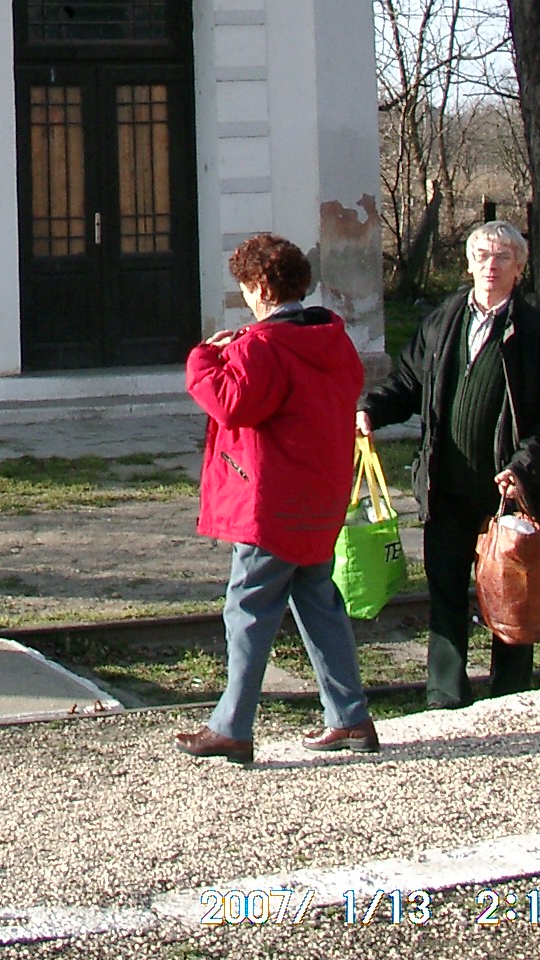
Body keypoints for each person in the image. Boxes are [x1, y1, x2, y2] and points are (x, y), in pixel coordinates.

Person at [359, 218, 540, 709]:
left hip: (508, 494)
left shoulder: (538, 335)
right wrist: (372, 411)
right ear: (468, 264)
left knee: (509, 592)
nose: (491, 266)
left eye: (503, 258)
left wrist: (522, 468)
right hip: (446, 485)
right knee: (444, 588)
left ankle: (510, 694)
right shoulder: (445, 320)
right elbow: (409, 382)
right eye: (482, 256)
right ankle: (445, 695)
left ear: (519, 269)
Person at [176, 232, 376, 766]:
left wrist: (203, 359)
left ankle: (232, 727)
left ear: (262, 288)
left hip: (270, 501)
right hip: (321, 496)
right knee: (319, 604)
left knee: (247, 608)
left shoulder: (259, 347)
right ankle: (350, 717)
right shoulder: (334, 339)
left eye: (245, 285)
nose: (244, 295)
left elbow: (232, 404)